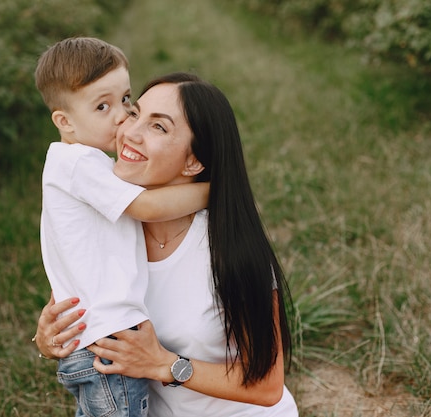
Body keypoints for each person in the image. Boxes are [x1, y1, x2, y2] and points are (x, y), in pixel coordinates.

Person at [35, 72, 298, 417]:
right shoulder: (106, 224)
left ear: (194, 161)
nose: (130, 131)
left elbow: (267, 385)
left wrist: (164, 364)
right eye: (134, 113)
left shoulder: (229, 250)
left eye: (158, 127)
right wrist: (49, 340)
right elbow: (80, 312)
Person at [34, 39, 209, 417]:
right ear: (64, 121)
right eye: (102, 106)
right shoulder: (78, 163)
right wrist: (215, 190)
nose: (122, 116)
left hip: (99, 336)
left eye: (125, 98)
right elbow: (147, 207)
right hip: (110, 337)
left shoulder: (85, 163)